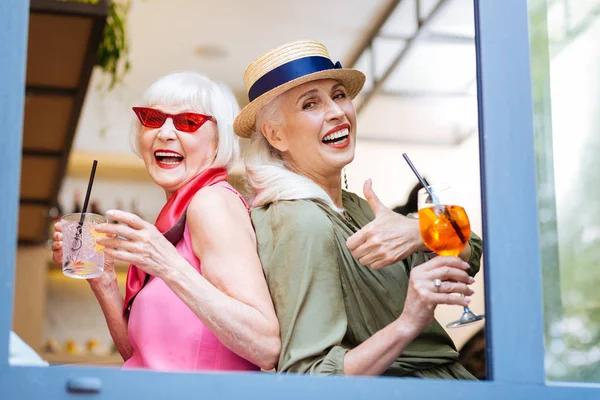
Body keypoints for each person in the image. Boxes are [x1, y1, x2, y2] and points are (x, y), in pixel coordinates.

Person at [233, 40, 482, 378]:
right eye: (311, 104)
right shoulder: (301, 220)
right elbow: (309, 376)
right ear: (275, 136)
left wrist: (419, 231)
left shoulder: (355, 207)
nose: (337, 112)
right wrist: (409, 322)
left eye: (338, 95)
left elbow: (472, 248)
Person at [51, 71, 280, 372]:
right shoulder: (173, 223)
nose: (165, 133)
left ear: (218, 140)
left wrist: (167, 264)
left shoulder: (210, 203)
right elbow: (141, 357)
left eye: (188, 122)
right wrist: (104, 280)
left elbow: (266, 347)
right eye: (153, 119)